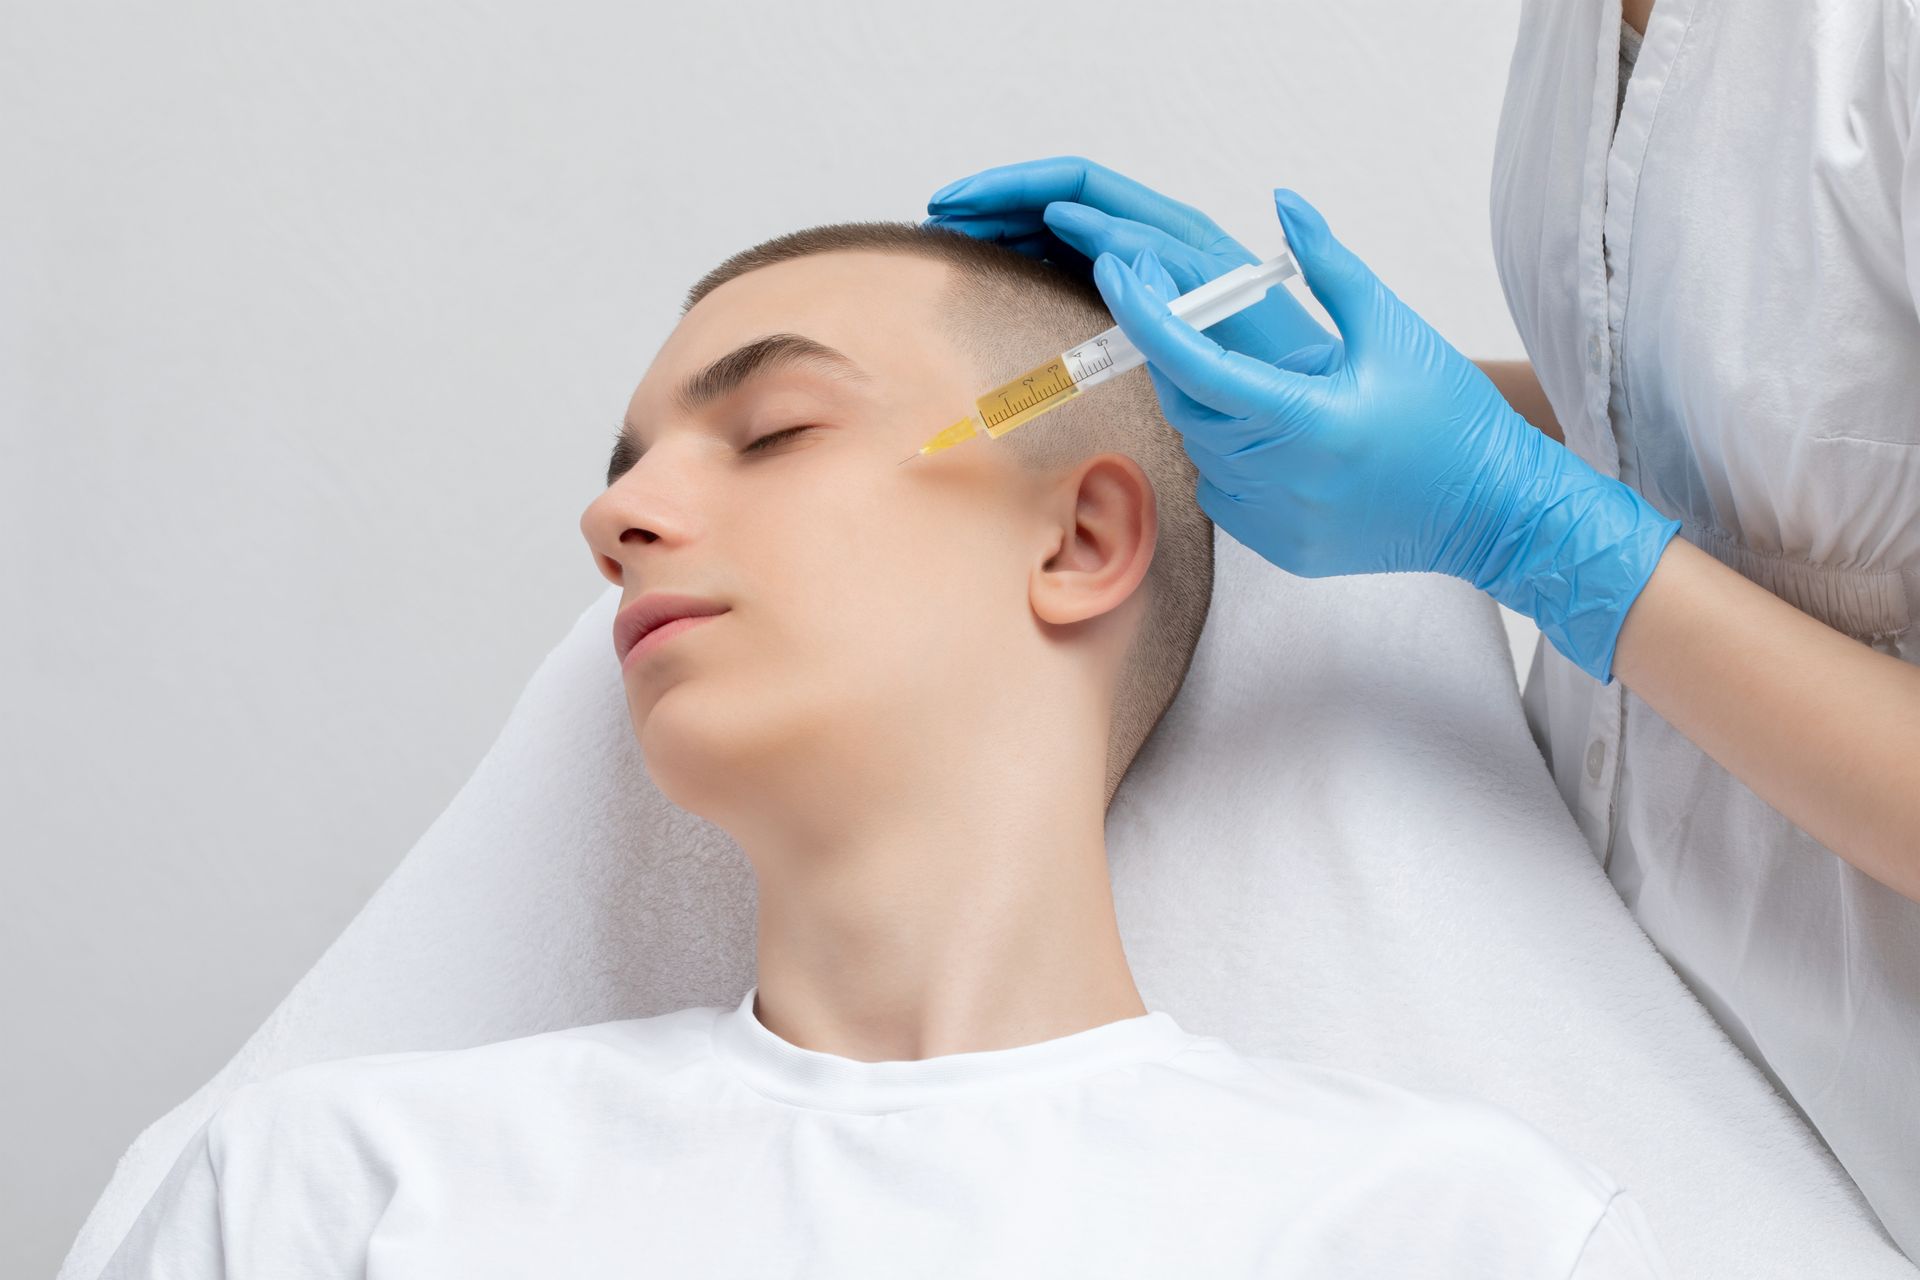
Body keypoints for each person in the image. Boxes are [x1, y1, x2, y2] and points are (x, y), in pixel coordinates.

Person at [99, 222, 1669, 1277]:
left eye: (773, 432)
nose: (613, 520)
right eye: (625, 479)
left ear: (1081, 535)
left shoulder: (1454, 1234)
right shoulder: (332, 1194)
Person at [922, 0, 1920, 1261]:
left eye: (777, 432)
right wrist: (1323, 384)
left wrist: (1518, 518)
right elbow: (1756, 405)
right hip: (1625, 1017)